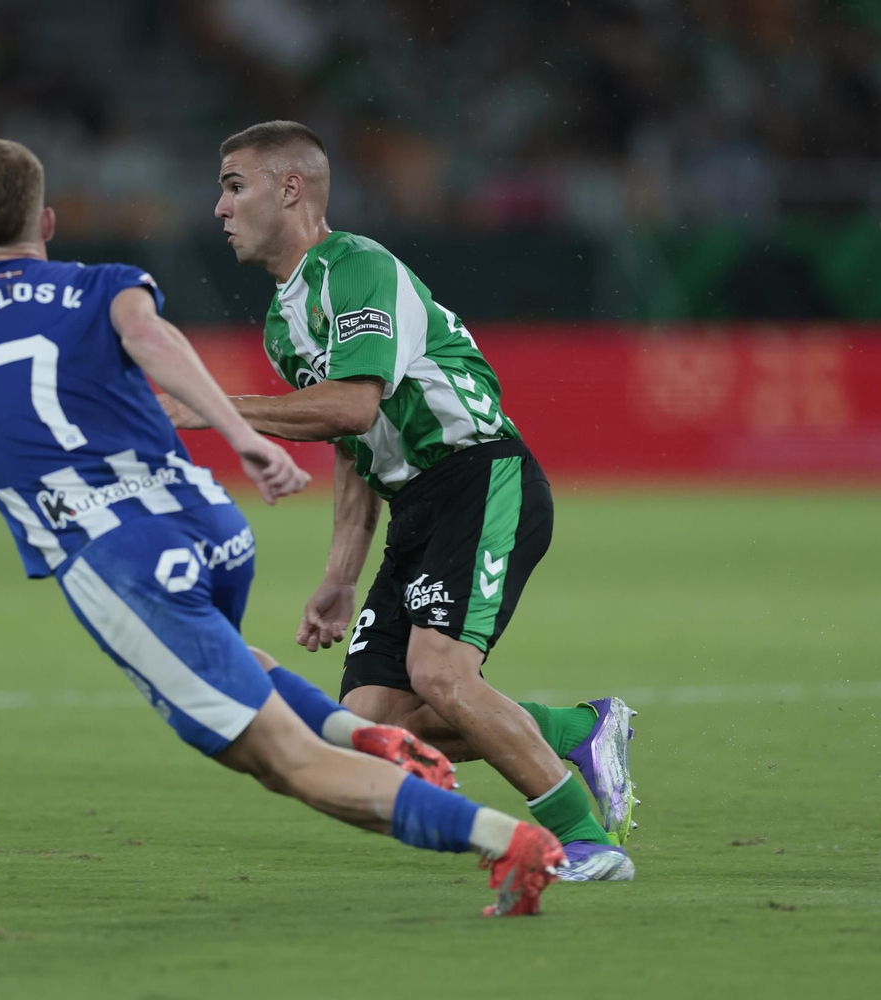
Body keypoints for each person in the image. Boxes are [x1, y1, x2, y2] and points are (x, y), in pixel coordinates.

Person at [0, 137, 566, 916]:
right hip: (204, 522)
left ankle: (506, 839)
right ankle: (368, 734)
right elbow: (152, 340)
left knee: (286, 763)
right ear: (45, 224)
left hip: (114, 556)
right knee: (231, 655)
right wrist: (243, 440)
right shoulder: (102, 282)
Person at [159, 121, 638, 882]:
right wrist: (342, 573)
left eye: (233, 185)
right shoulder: (286, 322)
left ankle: (585, 841)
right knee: (372, 724)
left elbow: (350, 405)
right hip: (415, 506)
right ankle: (577, 728)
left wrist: (215, 405)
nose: (219, 207)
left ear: (291, 189)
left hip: (479, 475)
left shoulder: (356, 267)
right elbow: (356, 447)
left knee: (443, 676)